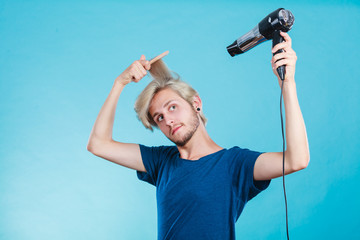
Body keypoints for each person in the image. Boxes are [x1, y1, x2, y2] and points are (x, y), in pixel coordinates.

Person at [87, 31, 309, 239]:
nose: (168, 120)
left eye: (172, 107)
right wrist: (120, 83)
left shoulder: (234, 164)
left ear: (196, 104)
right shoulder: (161, 162)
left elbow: (297, 160)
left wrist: (287, 84)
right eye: (159, 118)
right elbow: (98, 144)